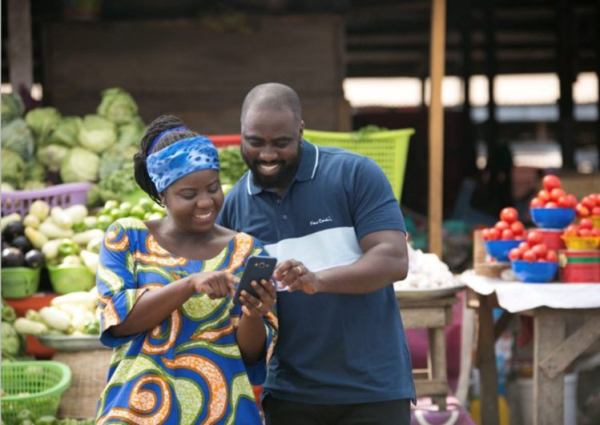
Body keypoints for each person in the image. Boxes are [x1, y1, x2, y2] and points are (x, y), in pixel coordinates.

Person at [218, 83, 415, 425]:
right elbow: (240, 322)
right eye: (254, 142)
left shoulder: (354, 174)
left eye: (281, 143)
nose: (267, 155)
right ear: (241, 135)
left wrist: (317, 280)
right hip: (290, 395)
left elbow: (393, 259)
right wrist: (252, 309)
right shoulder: (235, 205)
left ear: (300, 131)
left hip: (373, 390)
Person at [95, 115, 278, 425]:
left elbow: (250, 356)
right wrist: (190, 283)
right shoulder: (127, 237)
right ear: (162, 195)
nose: (206, 202)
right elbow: (119, 322)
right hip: (137, 412)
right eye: (189, 195)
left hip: (223, 413)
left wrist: (253, 313)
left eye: (213, 188)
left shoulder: (246, 251)